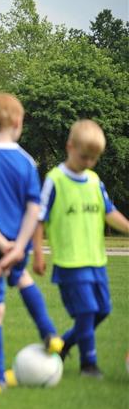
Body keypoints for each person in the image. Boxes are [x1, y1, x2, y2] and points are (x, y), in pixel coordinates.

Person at [0, 92, 62, 394]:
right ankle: (48, 333)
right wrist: (18, 247)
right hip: (18, 242)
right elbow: (35, 207)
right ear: (18, 122)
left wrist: (0, 244)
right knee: (22, 278)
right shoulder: (25, 161)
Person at [28, 119, 129, 379]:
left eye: (94, 158)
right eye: (84, 156)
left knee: (103, 310)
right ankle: (88, 365)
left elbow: (110, 213)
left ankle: (64, 345)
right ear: (69, 146)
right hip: (70, 263)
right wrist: (38, 252)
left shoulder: (95, 182)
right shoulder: (55, 180)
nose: (88, 162)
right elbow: (38, 218)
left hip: (97, 261)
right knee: (86, 311)